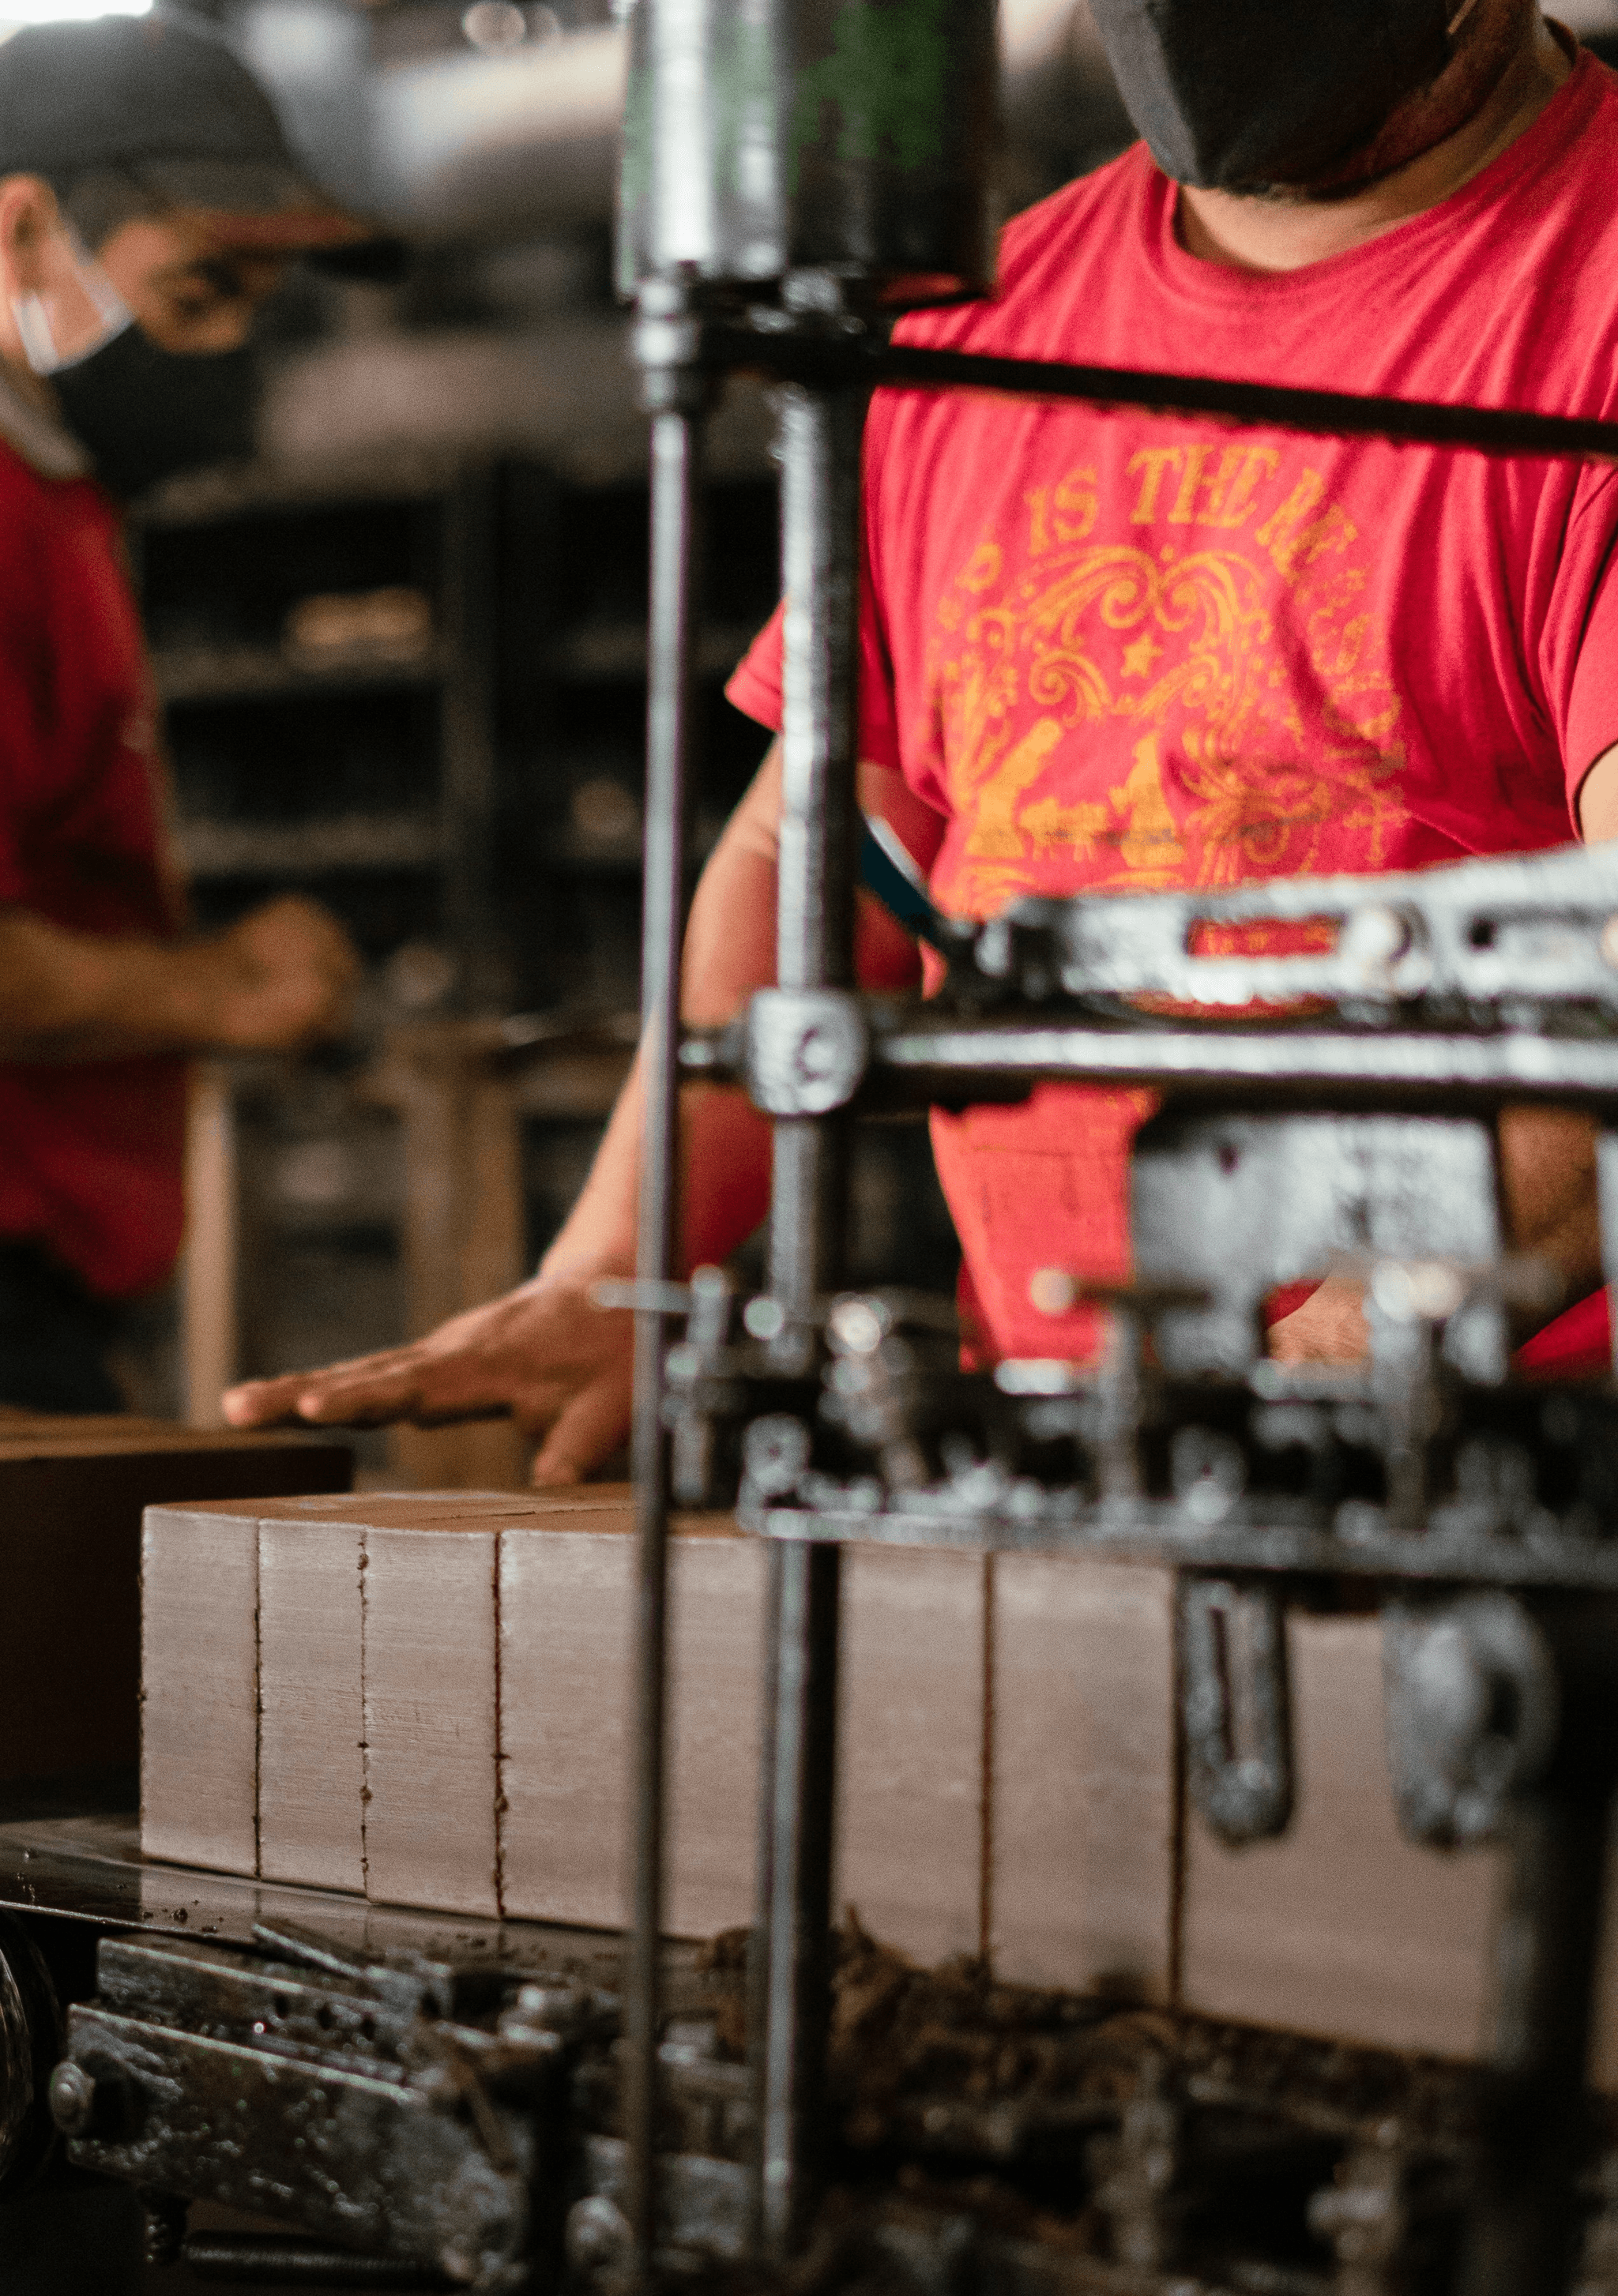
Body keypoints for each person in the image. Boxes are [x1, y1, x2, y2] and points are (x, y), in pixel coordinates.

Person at [227, 0, 1618, 1472]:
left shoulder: (1585, 296)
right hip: (1075, 1439)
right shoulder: (990, 319)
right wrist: (622, 1267)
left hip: (1500, 1453)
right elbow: (826, 847)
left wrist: (1333, 1359)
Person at [0, 13, 361, 1411]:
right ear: (25, 232)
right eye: (199, 295)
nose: (227, 351)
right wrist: (218, 989)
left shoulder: (58, 498)